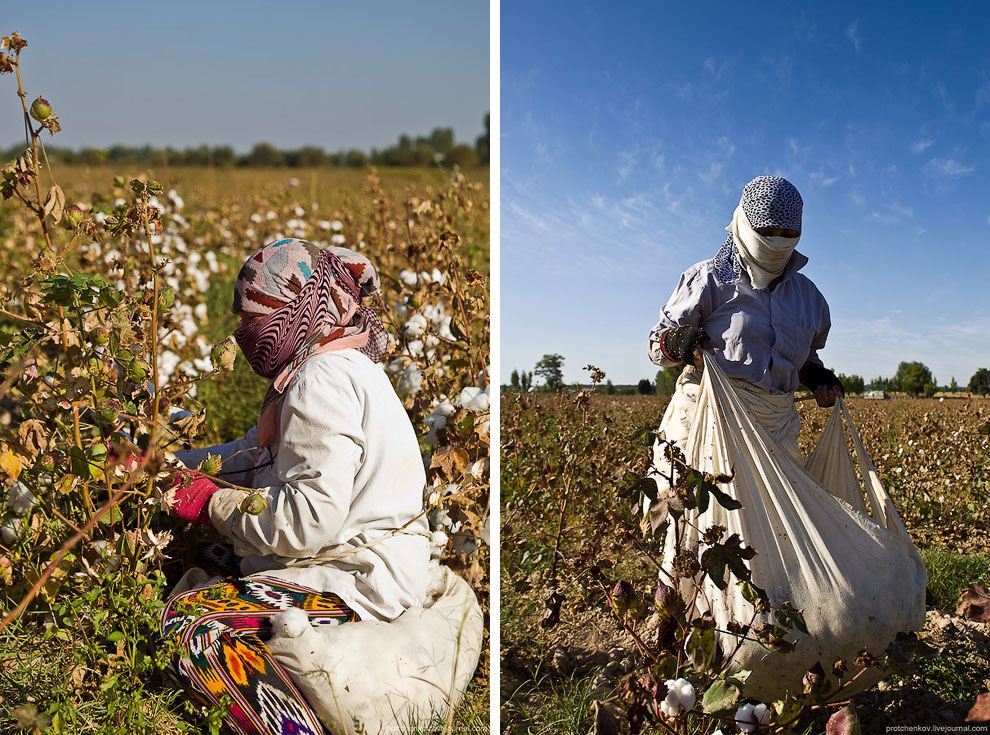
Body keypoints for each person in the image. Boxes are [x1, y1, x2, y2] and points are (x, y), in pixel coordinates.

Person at [157, 238, 430, 735]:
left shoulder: (317, 379)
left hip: (358, 576)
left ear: (293, 311)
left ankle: (295, 727)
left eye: (252, 317)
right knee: (197, 558)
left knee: (190, 627)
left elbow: (307, 522)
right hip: (370, 560)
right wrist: (168, 467)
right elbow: (258, 459)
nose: (242, 332)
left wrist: (211, 503)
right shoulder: (333, 361)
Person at [646, 176, 843, 497]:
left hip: (774, 432)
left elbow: (804, 358)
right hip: (705, 426)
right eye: (766, 233)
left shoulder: (809, 298)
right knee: (699, 524)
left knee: (771, 534)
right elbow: (657, 345)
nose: (777, 242)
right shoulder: (709, 280)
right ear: (744, 225)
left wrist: (816, 376)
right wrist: (680, 343)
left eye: (788, 234)